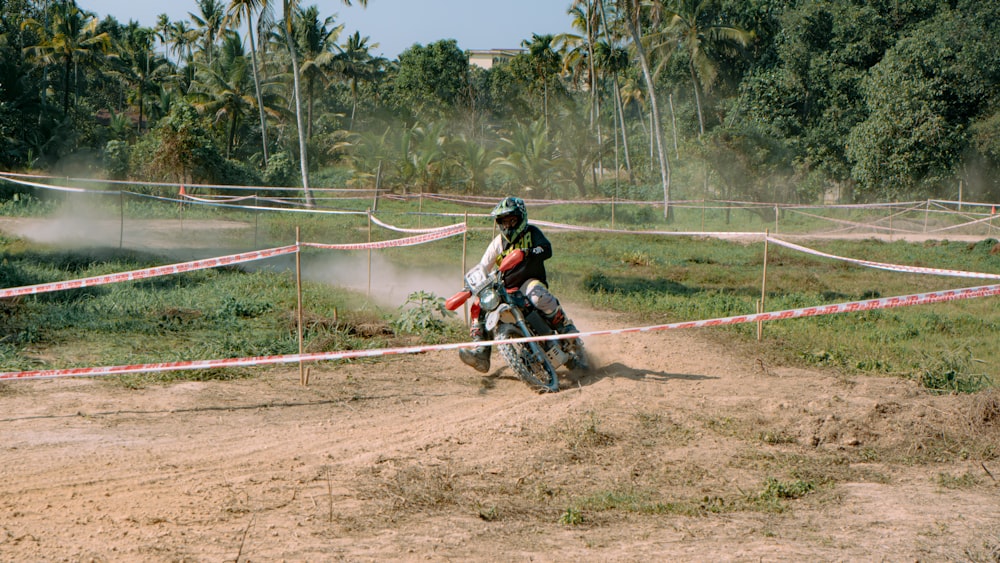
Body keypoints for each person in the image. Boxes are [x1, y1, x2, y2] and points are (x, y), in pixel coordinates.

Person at [459, 196, 577, 373]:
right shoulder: (497, 243)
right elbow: (483, 266)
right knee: (479, 306)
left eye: (512, 220)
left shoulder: (532, 233)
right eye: (503, 222)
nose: (507, 225)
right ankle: (481, 353)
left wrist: (527, 252)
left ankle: (564, 326)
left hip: (529, 281)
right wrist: (470, 287)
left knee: (537, 295)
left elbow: (547, 249)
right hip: (507, 287)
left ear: (521, 218)